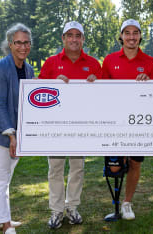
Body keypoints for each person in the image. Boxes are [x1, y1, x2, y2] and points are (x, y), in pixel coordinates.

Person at [38, 21, 101, 229]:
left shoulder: (93, 64)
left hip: (81, 126)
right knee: (55, 169)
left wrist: (96, 83)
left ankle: (72, 207)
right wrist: (53, 83)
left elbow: (103, 98)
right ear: (63, 39)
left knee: (77, 168)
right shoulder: (51, 63)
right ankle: (56, 210)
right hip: (56, 126)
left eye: (78, 35)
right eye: (69, 35)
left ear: (83, 39)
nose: (74, 39)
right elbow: (38, 94)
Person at [102, 19, 153, 220]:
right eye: (127, 32)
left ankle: (126, 202)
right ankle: (117, 203)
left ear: (140, 36)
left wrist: (149, 83)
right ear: (121, 36)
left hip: (139, 121)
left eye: (135, 32)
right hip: (115, 120)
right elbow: (101, 92)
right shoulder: (109, 60)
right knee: (116, 167)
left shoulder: (151, 63)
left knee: (135, 163)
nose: (132, 36)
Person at [0, 23, 35, 234]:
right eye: (18, 42)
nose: (23, 46)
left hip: (18, 134)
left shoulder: (28, 70)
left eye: (26, 42)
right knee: (0, 180)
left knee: (2, 178)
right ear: (10, 44)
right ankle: (5, 225)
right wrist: (11, 135)